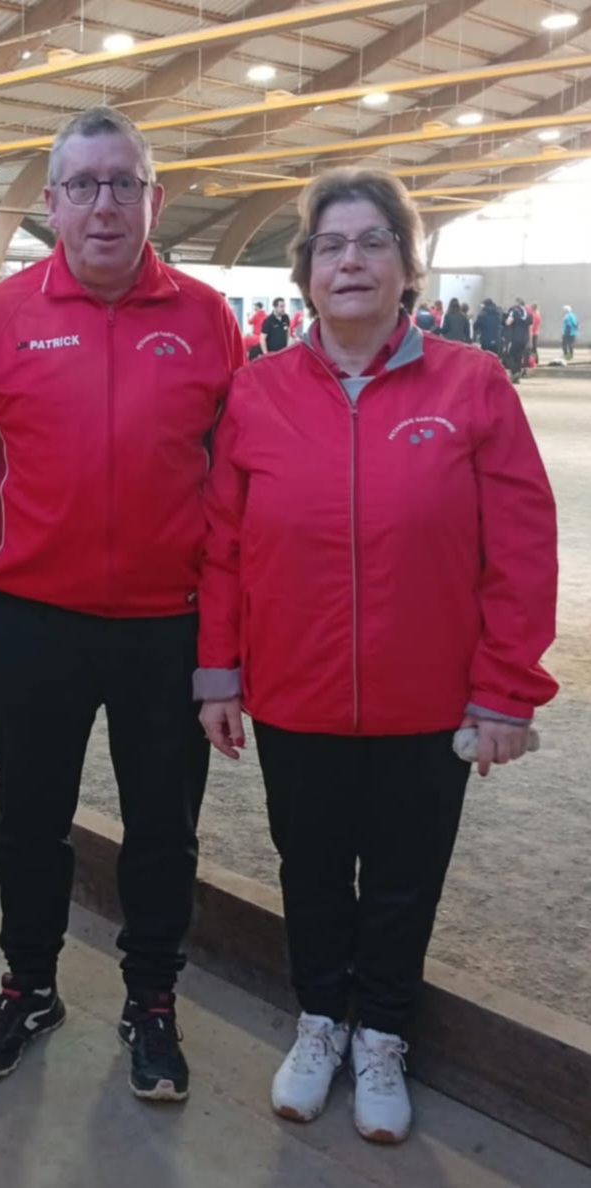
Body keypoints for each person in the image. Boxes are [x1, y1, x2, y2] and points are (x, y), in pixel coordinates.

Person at [196, 167, 557, 1146]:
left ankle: (383, 1033)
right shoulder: (257, 391)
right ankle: (320, 1021)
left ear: (407, 265)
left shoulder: (472, 385)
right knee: (309, 870)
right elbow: (223, 546)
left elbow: (518, 553)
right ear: (304, 271)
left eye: (372, 242)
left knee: (404, 877)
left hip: (427, 700)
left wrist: (504, 695)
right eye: (329, 245)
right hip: (296, 693)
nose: (349, 260)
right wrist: (218, 673)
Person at [0, 105, 244, 1103]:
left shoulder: (206, 321)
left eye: (124, 182)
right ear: (52, 203)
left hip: (167, 626)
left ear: (155, 197)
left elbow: (234, 500)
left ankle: (151, 998)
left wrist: (223, 647)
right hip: (33, 621)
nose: (104, 203)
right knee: (31, 822)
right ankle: (29, 983)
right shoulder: (0, 317)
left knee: (163, 830)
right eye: (83, 184)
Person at [503, 297, 531, 382]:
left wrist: (504, 319)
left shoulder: (514, 311)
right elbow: (530, 328)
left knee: (511, 356)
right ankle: (518, 373)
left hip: (514, 338)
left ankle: (513, 373)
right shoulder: (529, 314)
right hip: (524, 338)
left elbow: (508, 322)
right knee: (519, 356)